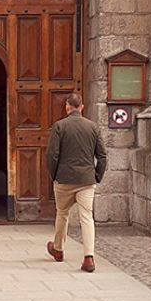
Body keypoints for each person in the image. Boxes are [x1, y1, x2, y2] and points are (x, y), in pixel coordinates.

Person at [45, 92, 107, 272]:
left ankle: (58, 249)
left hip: (64, 179)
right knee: (86, 217)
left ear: (67, 107)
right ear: (82, 107)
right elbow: (102, 156)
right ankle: (89, 257)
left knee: (62, 213)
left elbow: (52, 155)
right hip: (86, 180)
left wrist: (54, 174)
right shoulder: (93, 127)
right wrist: (97, 176)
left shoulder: (59, 126)